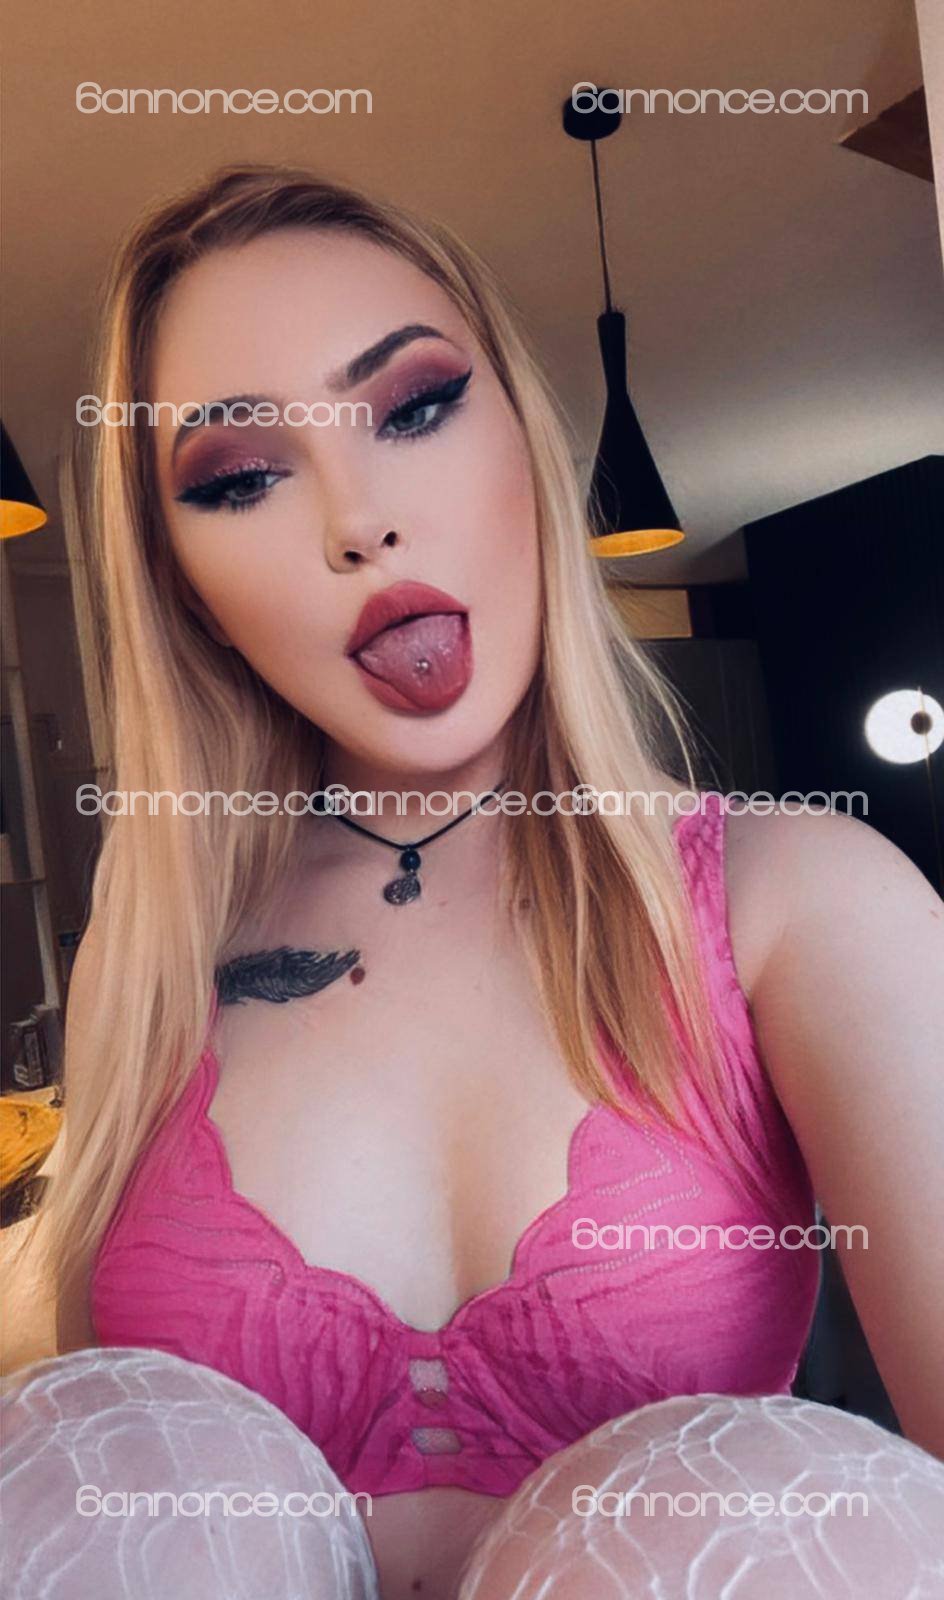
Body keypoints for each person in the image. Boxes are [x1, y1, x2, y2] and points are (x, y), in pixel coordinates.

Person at [4, 166, 942, 1600]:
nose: (361, 524)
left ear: (529, 441)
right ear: (186, 586)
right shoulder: (154, 947)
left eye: (416, 406)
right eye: (241, 478)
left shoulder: (795, 899)